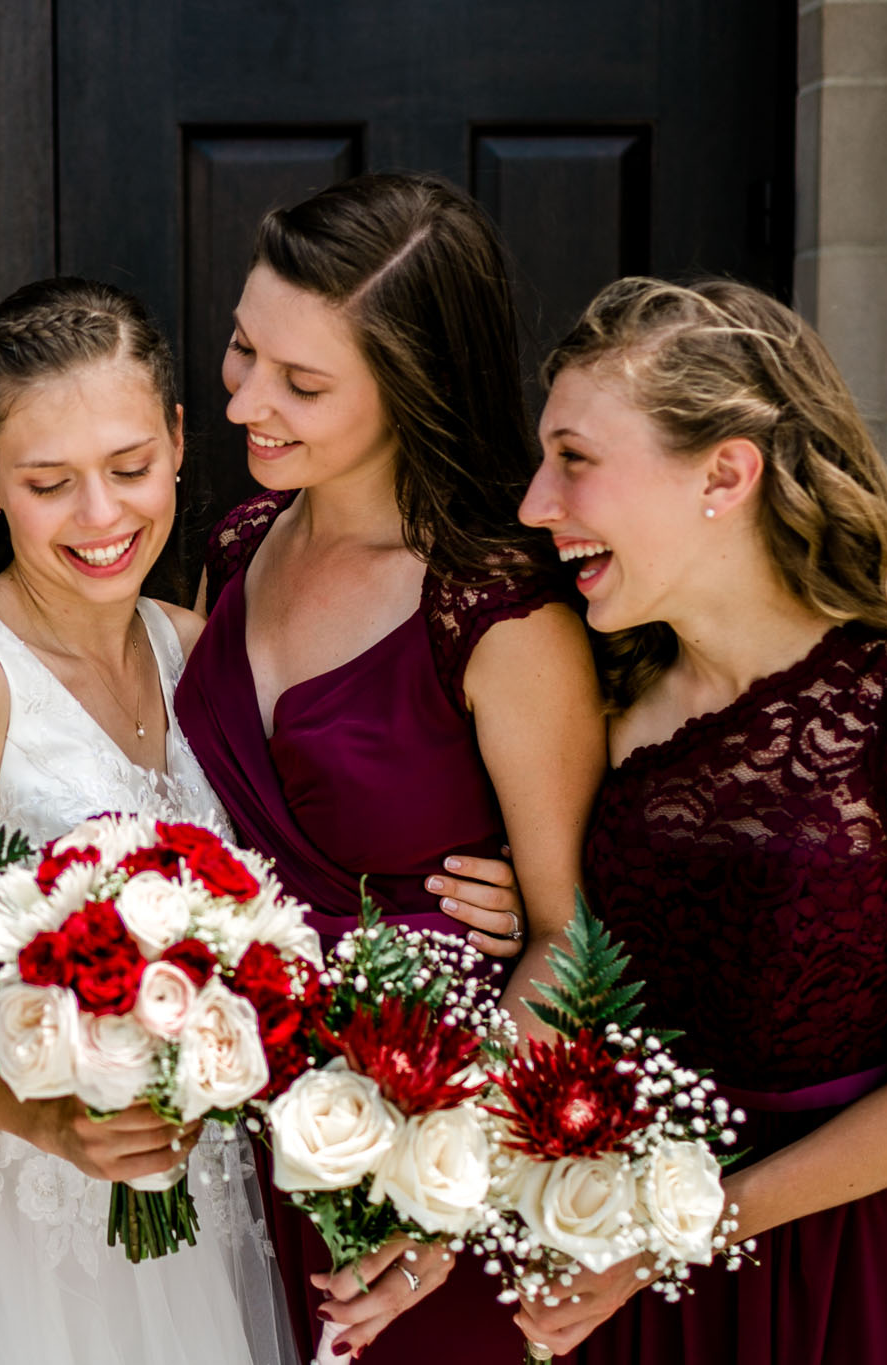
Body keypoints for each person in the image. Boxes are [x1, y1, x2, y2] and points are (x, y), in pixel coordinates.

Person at [514, 277, 887, 1363]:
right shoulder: (596, 686)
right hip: (602, 1264)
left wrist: (686, 1232)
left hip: (826, 1269)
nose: (533, 504)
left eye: (572, 459)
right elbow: (564, 954)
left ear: (724, 472)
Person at [173, 171, 605, 1361]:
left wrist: (435, 1181)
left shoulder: (497, 609)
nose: (244, 402)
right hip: (221, 1130)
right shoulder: (238, 539)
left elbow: (570, 938)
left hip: (414, 1170)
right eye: (241, 351)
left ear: (410, 389)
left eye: (301, 383)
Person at [0, 277, 295, 1365]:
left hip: (205, 1197)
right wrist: (47, 1119)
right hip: (24, 1232)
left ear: (181, 441)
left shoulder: (200, 648)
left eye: (130, 469)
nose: (102, 518)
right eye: (49, 484)